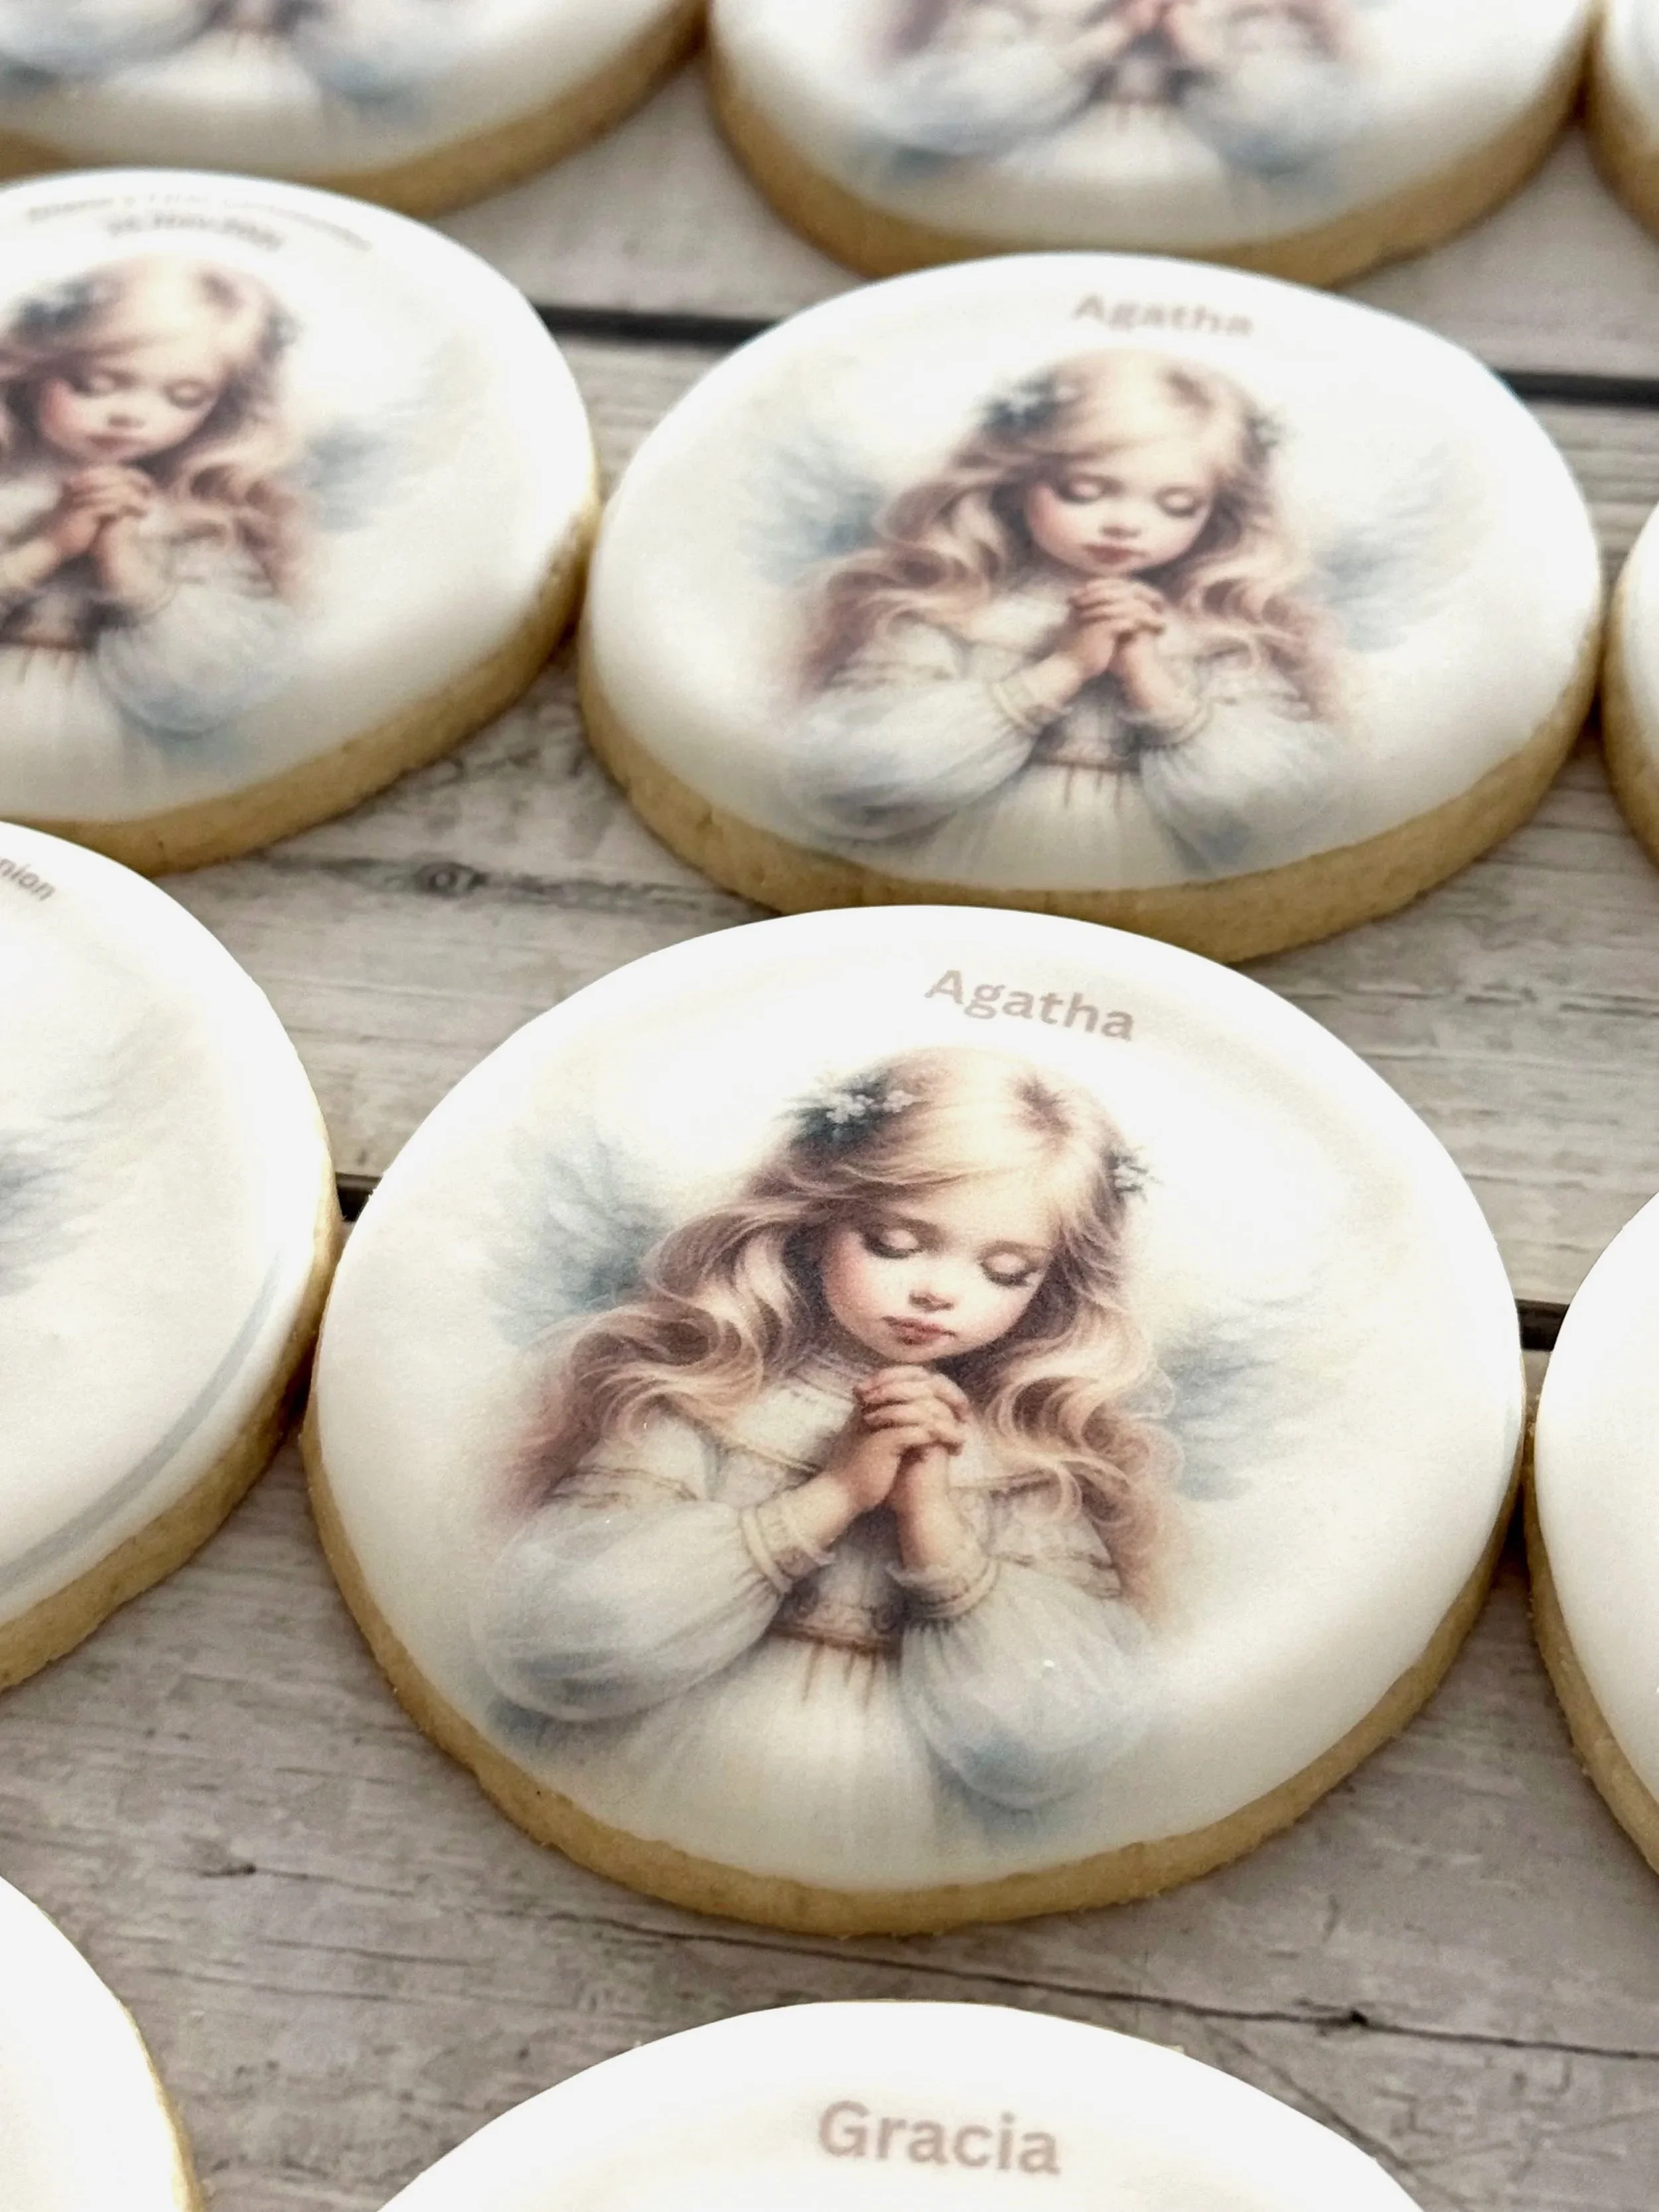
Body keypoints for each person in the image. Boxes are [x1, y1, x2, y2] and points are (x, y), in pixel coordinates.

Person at [474, 1045, 1175, 1882]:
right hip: (654, 1761)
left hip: (908, 1819)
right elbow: (553, 1641)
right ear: (814, 1224)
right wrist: (832, 1494)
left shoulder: (1025, 1464)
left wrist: (936, 1531)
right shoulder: (710, 1399)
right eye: (896, 1242)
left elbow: (1053, 1739)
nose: (939, 1292)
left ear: (1050, 1286)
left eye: (1004, 1270)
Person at [787, 348, 1342, 879]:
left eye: (1176, 505)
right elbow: (849, 776)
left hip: (1142, 869)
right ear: (1018, 482)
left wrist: (1151, 681)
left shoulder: (1216, 636)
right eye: (1084, 491)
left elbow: (1275, 808)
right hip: (963, 858)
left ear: (1216, 510)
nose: (1125, 522)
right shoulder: (957, 612)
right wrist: (1063, 668)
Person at [0, 254, 299, 795]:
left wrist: (125, 565)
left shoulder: (188, 519)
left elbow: (210, 680)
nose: (132, 414)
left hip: (107, 742)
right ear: (36, 368)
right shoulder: (9, 494)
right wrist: (47, 545)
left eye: (183, 396)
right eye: (94, 384)